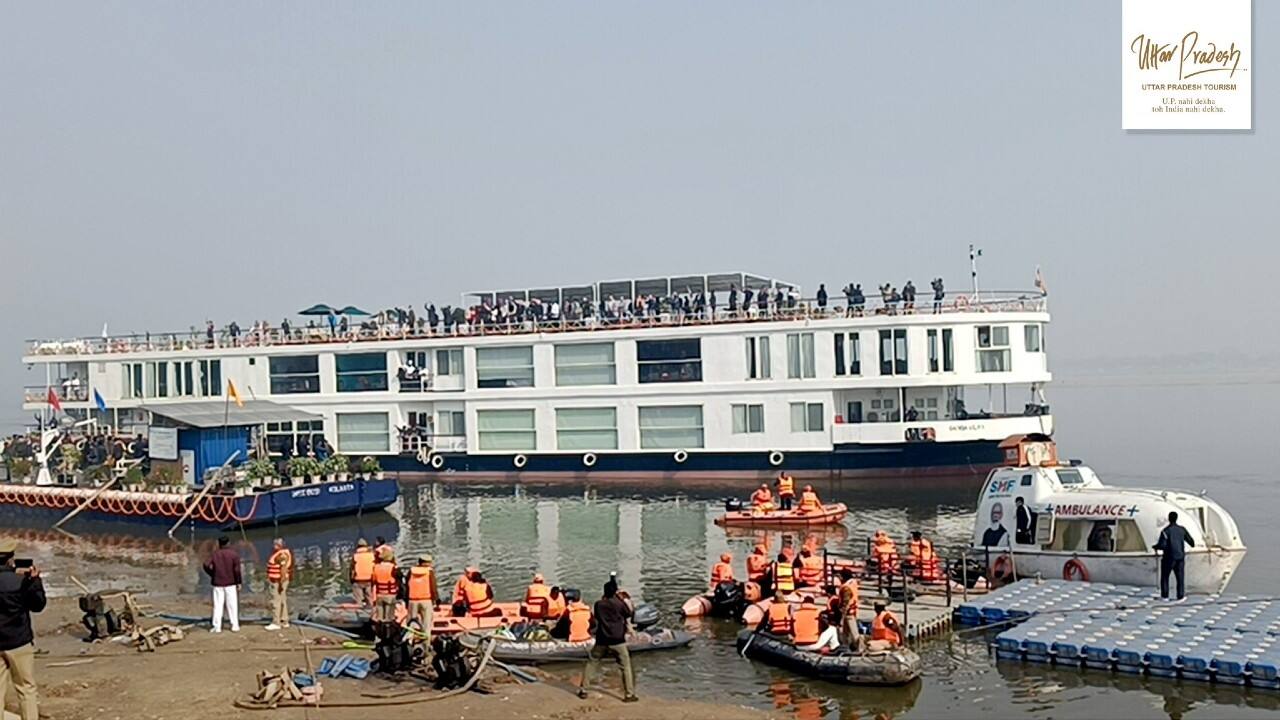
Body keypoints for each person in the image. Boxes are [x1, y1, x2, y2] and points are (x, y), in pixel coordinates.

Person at [0, 539, 45, 720]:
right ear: (11, 559)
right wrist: (35, 582)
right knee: (26, 688)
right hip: (19, 641)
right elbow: (38, 605)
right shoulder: (20, 581)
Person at [577, 580, 637, 703]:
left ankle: (584, 690)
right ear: (615, 591)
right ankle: (629, 694)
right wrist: (622, 598)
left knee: (592, 663)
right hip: (617, 640)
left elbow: (597, 617)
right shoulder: (619, 604)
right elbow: (629, 613)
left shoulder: (599, 604)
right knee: (625, 666)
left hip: (602, 639)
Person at [202, 536, 241, 633]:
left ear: (219, 544)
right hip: (231, 582)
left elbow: (206, 564)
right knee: (232, 605)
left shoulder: (215, 554)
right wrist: (238, 582)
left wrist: (212, 574)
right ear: (228, 543)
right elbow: (237, 570)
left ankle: (217, 626)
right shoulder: (233, 555)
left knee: (218, 605)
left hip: (218, 582)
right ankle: (234, 625)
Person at [1155, 511, 1196, 601]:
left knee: (1165, 577)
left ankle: (1165, 596)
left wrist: (1155, 546)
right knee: (1180, 578)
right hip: (1180, 557)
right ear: (1176, 518)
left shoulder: (1165, 531)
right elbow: (1192, 542)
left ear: (1169, 519)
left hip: (1169, 558)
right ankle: (1180, 596)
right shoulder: (1182, 530)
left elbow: (1162, 545)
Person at [405, 554, 439, 642]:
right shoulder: (429, 572)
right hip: (426, 600)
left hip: (412, 600)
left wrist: (406, 600)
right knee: (426, 625)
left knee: (411, 625)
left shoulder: (411, 571)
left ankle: (409, 643)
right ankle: (426, 644)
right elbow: (433, 587)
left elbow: (406, 586)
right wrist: (436, 599)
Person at [264, 538, 293, 631]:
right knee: (282, 600)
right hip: (279, 580)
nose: (274, 546)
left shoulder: (282, 555)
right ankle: (284, 620)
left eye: (276, 544)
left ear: (280, 545)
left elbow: (283, 569)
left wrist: (281, 583)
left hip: (277, 581)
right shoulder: (282, 553)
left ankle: (276, 622)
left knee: (276, 601)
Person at [371, 548, 399, 624]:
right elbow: (398, 578)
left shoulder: (376, 567)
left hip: (379, 594)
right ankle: (388, 631)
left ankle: (379, 630)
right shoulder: (393, 567)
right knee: (389, 617)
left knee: (379, 617)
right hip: (390, 594)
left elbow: (373, 580)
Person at [836, 569, 861, 650]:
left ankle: (859, 648)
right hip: (852, 609)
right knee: (845, 632)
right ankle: (845, 646)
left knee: (854, 632)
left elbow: (845, 602)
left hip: (848, 612)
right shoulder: (853, 583)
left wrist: (841, 615)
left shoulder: (846, 587)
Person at [350, 538, 376, 607]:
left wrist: (351, 580)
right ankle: (371, 611)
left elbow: (352, 569)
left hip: (358, 580)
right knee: (370, 597)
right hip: (369, 579)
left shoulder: (355, 556)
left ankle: (359, 610)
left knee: (358, 599)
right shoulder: (371, 555)